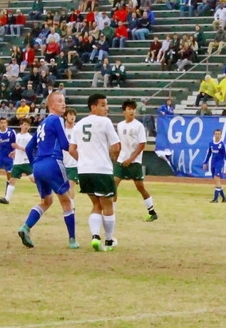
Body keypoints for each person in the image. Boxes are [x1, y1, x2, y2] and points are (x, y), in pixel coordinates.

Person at [16, 92, 77, 249]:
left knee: (46, 201)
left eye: (64, 101)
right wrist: (78, 150)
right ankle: (72, 240)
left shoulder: (43, 123)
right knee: (66, 202)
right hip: (52, 162)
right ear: (51, 105)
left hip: (38, 165)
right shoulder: (57, 119)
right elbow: (64, 144)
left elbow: (29, 147)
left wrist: (33, 167)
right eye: (59, 101)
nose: (63, 104)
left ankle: (25, 227)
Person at [68, 94, 120, 252]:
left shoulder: (79, 125)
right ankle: (109, 240)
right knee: (108, 204)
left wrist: (83, 160)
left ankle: (96, 236)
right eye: (103, 105)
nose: (106, 108)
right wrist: (113, 159)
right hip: (101, 169)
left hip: (84, 171)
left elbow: (71, 149)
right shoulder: (105, 122)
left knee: (96, 204)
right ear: (93, 107)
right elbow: (116, 146)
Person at [114, 100, 158, 222]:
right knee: (113, 185)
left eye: (133, 109)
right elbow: (120, 143)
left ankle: (152, 211)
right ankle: (110, 213)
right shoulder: (120, 125)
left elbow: (142, 144)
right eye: (129, 109)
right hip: (122, 160)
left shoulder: (138, 126)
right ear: (124, 111)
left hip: (134, 161)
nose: (132, 111)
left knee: (140, 187)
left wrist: (131, 159)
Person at [0, 118, 36, 204]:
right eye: (24, 124)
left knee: (34, 180)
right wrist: (14, 152)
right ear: (21, 125)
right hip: (17, 162)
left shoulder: (30, 137)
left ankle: (47, 188)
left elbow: (29, 150)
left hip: (26, 162)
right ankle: (7, 199)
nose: (26, 126)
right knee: (12, 180)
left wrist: (18, 148)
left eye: (28, 125)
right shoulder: (17, 136)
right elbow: (17, 148)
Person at [203, 129, 226, 203]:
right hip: (213, 163)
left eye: (219, 134)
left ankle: (215, 199)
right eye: (216, 134)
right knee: (217, 181)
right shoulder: (211, 144)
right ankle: (224, 198)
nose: (217, 135)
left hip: (220, 163)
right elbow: (208, 153)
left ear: (221, 135)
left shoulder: (222, 144)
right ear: (214, 135)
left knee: (217, 178)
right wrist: (205, 162)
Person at [63, 109, 79, 206]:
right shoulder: (61, 130)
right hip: (62, 162)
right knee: (63, 188)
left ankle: (71, 207)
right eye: (70, 115)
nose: (72, 117)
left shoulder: (77, 130)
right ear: (65, 116)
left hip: (73, 163)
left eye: (74, 115)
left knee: (71, 185)